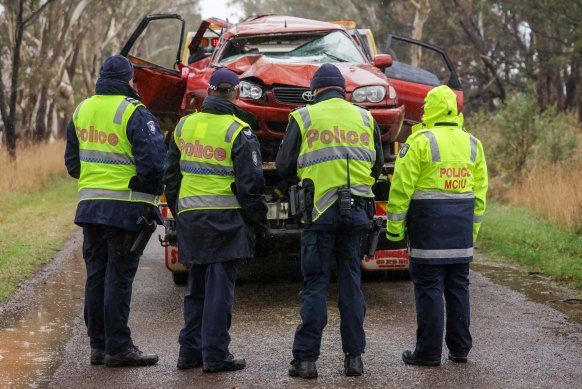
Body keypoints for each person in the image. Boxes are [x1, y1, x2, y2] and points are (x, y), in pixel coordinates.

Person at [276, 63, 384, 379]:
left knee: (316, 284)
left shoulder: (304, 116)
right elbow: (377, 166)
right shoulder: (365, 118)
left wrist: (308, 178)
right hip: (357, 214)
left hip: (319, 212)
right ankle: (354, 360)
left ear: (316, 90)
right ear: (343, 89)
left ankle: (307, 361)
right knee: (351, 282)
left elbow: (284, 166)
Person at [164, 68, 269, 373]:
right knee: (220, 290)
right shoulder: (239, 131)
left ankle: (189, 352)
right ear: (235, 94)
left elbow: (170, 178)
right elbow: (251, 187)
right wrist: (259, 225)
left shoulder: (184, 126)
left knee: (197, 286)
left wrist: (180, 212)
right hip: (225, 220)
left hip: (191, 218)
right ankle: (215, 355)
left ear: (209, 92)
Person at [64, 55, 166, 367]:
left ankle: (99, 345)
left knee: (96, 275)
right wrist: (144, 184)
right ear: (129, 81)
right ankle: (119, 348)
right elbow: (154, 164)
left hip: (91, 208)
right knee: (118, 277)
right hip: (127, 209)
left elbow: (73, 164)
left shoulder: (83, 109)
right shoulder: (133, 111)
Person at [386, 85, 488, 366]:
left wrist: (394, 229)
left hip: (428, 228)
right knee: (458, 287)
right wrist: (473, 230)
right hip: (460, 229)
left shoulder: (419, 142)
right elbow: (479, 193)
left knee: (429, 288)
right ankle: (460, 350)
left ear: (428, 110)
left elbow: (401, 188)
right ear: (454, 110)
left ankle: (428, 353)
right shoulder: (472, 143)